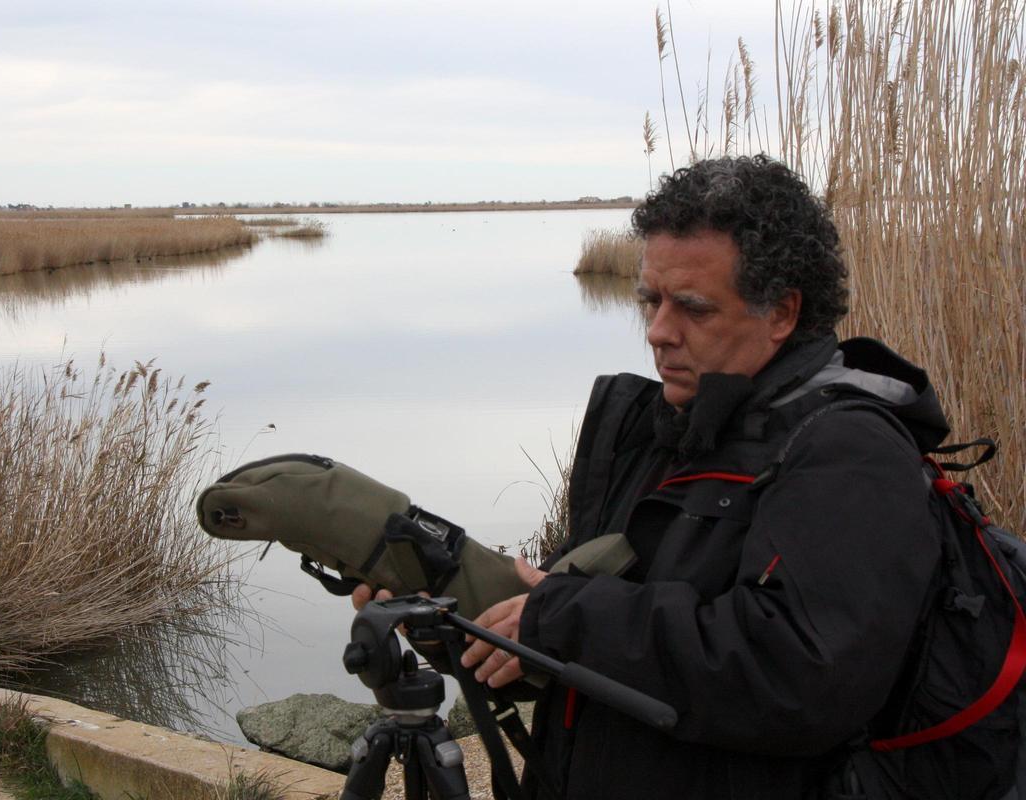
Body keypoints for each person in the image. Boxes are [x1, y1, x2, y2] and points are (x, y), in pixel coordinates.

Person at [355, 155, 950, 799]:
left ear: (781, 313)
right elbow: (568, 638)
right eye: (651, 301)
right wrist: (454, 624)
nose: (659, 333)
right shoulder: (659, 430)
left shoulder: (849, 452)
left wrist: (566, 619)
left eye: (692, 308)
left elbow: (801, 676)